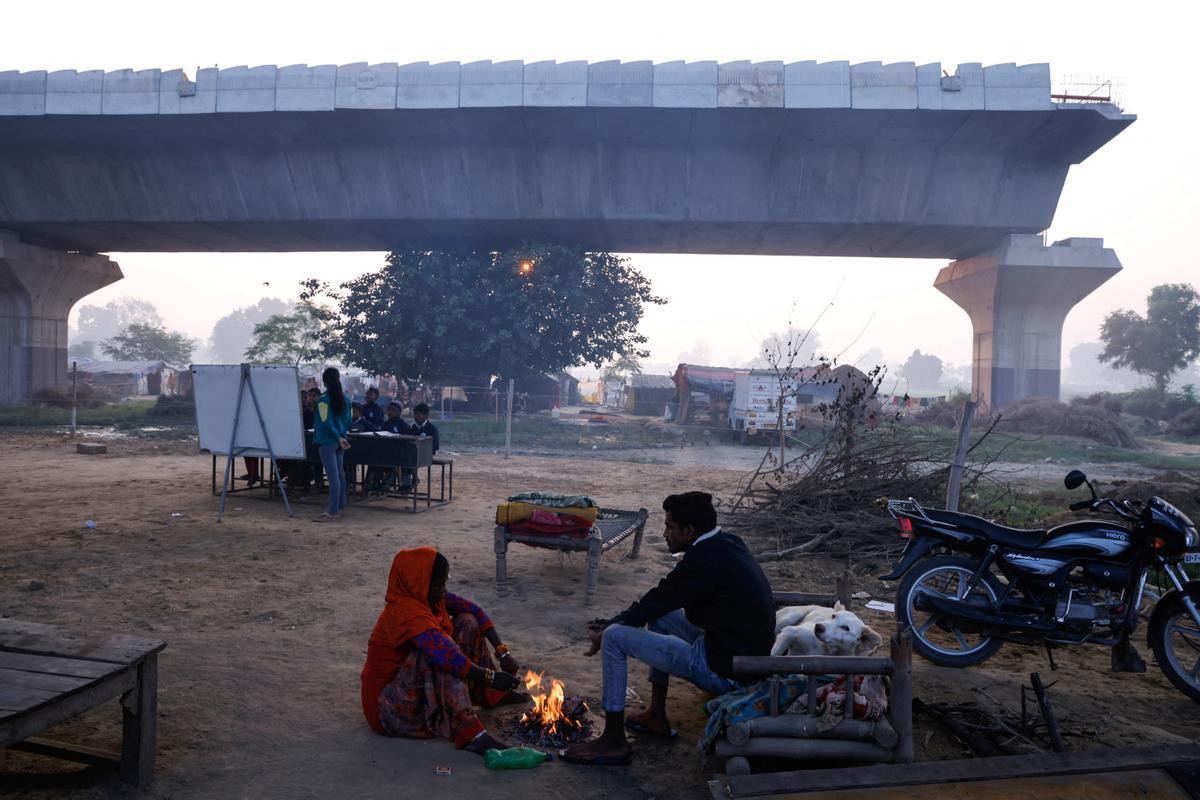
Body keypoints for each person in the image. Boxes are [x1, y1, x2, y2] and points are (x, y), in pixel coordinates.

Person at [560, 491, 775, 766]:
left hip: (725, 670)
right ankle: (656, 716)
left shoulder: (703, 560)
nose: (665, 534)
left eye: (670, 527)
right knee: (661, 616)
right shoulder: (726, 543)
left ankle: (613, 740)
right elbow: (659, 603)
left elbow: (660, 597)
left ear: (689, 530)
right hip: (740, 654)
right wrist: (615, 620)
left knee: (614, 638)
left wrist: (609, 627)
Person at [361, 547, 526, 754]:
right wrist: (491, 677)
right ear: (418, 583)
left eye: (444, 583)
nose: (442, 590)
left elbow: (475, 611)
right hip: (389, 708)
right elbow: (447, 655)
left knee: (467, 621)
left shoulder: (430, 598)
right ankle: (469, 733)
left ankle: (489, 696)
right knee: (440, 654)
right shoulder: (405, 612)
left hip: (410, 686)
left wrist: (503, 653)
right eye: (438, 585)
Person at [312, 367, 351, 522]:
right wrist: (341, 436)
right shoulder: (346, 399)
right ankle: (340, 507)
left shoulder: (323, 400)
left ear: (324, 381)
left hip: (327, 440)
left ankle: (333, 512)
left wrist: (336, 436)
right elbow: (348, 420)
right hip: (341, 440)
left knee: (333, 478)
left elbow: (325, 421)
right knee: (340, 475)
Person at [406, 402, 439, 491]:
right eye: (415, 414)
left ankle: (409, 482)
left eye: (418, 414)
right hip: (413, 454)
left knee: (410, 460)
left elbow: (436, 446)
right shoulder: (413, 428)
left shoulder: (432, 429)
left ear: (425, 416)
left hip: (426, 455)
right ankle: (406, 483)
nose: (415, 417)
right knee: (405, 459)